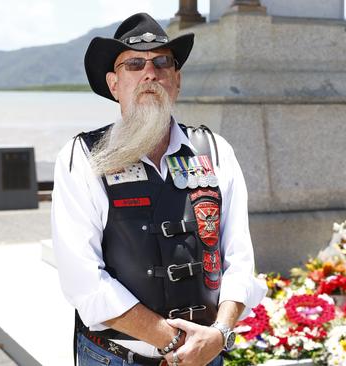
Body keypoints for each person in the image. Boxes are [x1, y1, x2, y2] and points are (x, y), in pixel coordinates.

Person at [51, 13, 267, 366]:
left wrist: (220, 334)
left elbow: (240, 260)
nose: (150, 73)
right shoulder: (83, 157)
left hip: (206, 355)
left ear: (176, 80)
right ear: (114, 84)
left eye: (162, 62)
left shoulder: (214, 151)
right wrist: (176, 344)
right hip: (117, 359)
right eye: (135, 64)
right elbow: (84, 281)